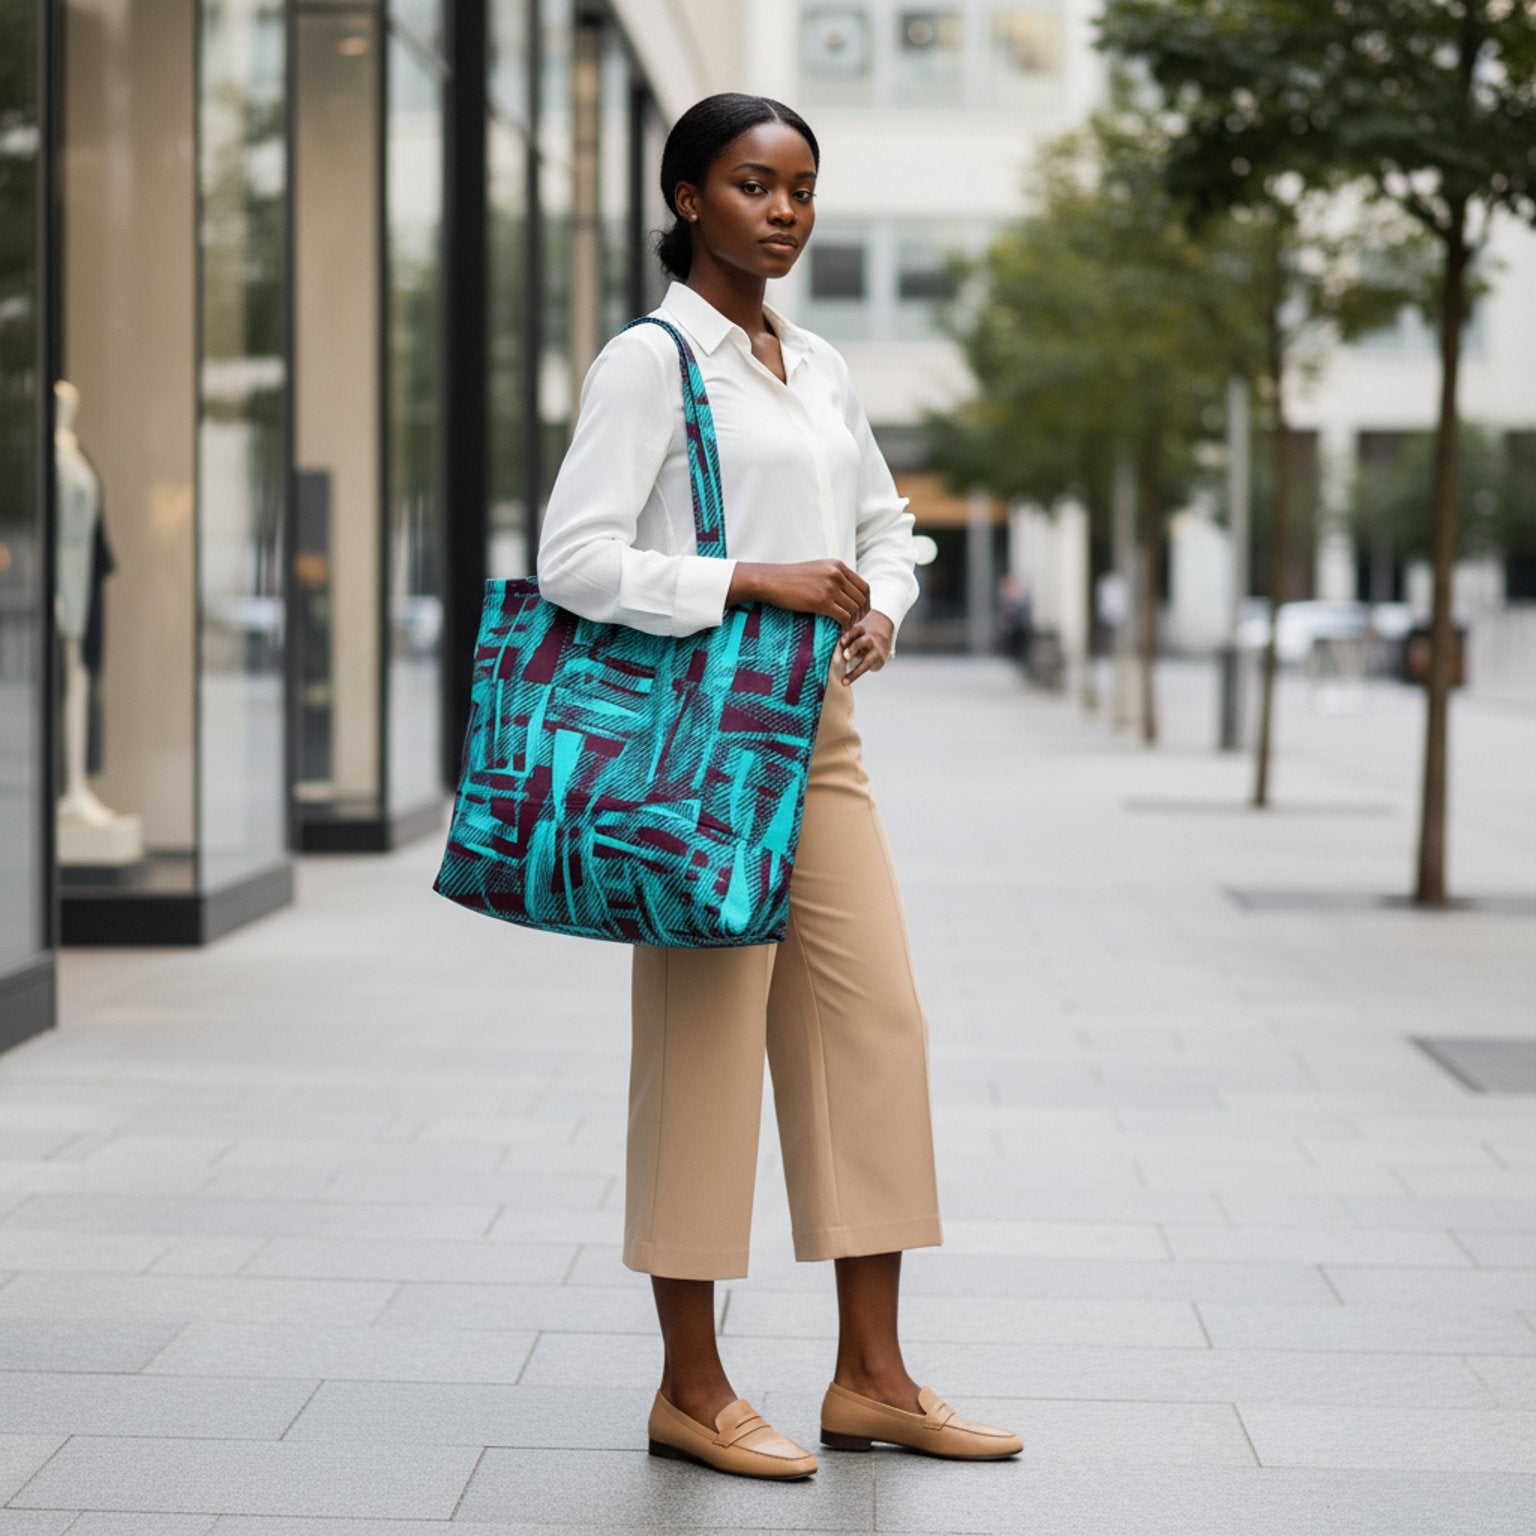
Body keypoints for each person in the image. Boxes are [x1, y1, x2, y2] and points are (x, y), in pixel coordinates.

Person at [536, 93, 1022, 1481]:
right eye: (756, 185)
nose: (787, 211)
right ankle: (692, 1387)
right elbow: (574, 559)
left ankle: (873, 1376)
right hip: (699, 748)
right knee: (700, 1060)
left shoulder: (815, 364)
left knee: (878, 1028)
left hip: (824, 740)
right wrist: (751, 576)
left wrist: (885, 608)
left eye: (803, 188)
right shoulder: (649, 363)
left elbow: (885, 524)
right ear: (689, 199)